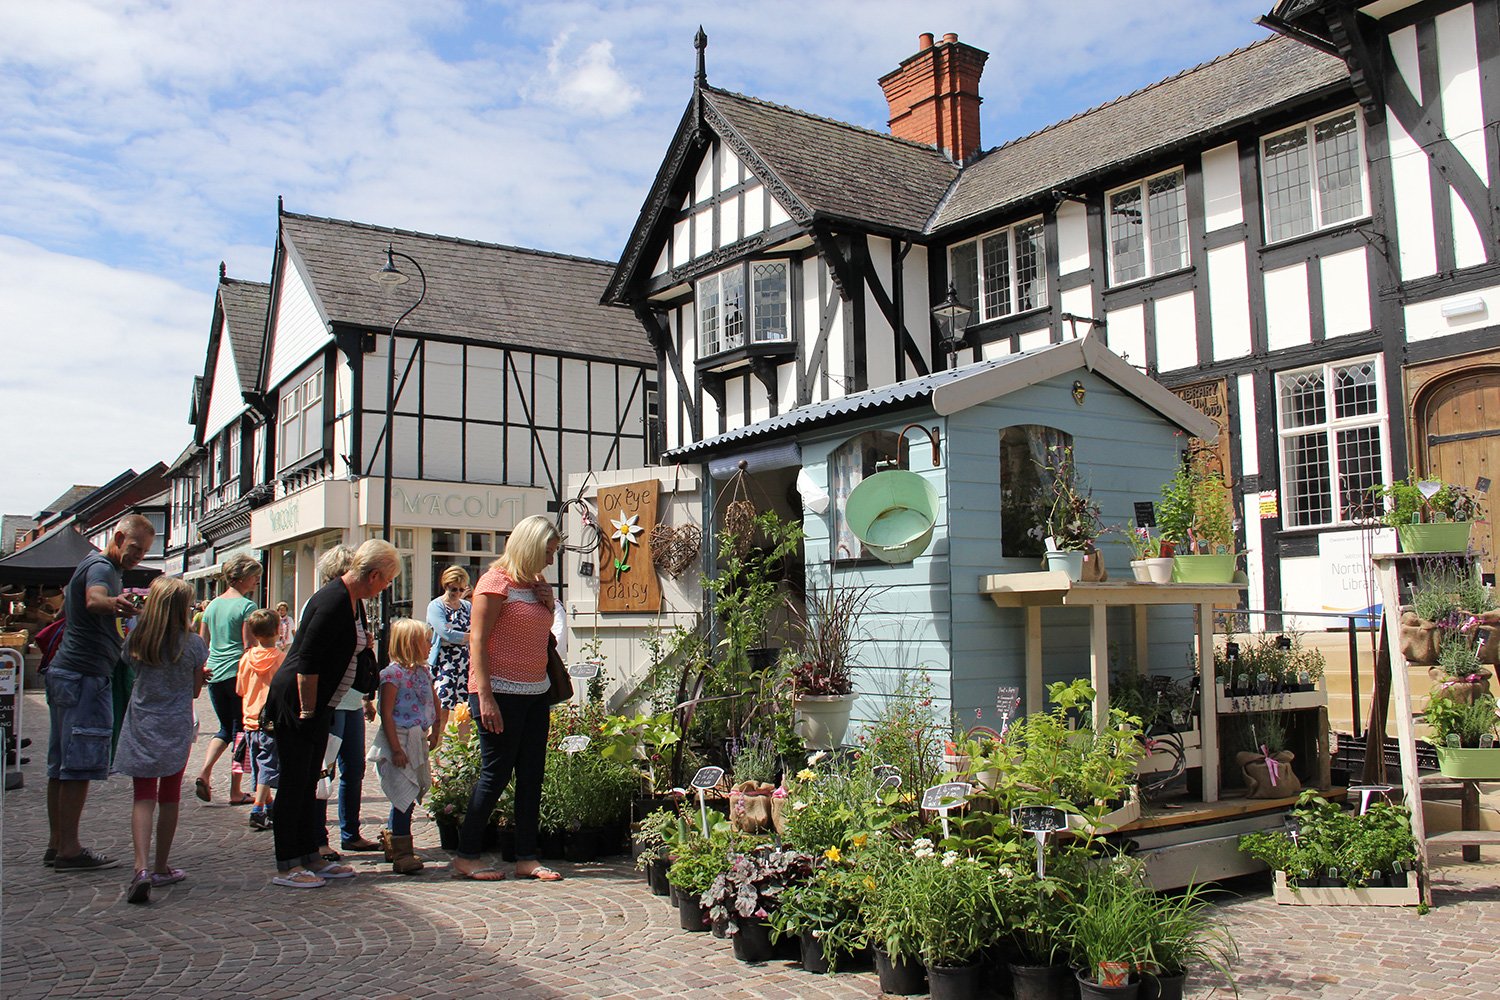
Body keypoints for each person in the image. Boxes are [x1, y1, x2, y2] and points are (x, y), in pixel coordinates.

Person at [265, 539, 398, 888]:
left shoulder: (353, 601)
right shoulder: (333, 599)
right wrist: (309, 711)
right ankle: (287, 863)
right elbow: (306, 659)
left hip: (323, 703)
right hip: (299, 701)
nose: (386, 588)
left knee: (311, 778)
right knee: (295, 781)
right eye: (386, 581)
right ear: (372, 575)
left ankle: (310, 855)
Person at [450, 515, 564, 882]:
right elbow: (478, 641)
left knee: (532, 775)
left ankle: (526, 856)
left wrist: (548, 604)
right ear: (529, 547)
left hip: (535, 691)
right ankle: (467, 855)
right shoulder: (494, 582)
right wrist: (484, 698)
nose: (550, 560)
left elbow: (544, 636)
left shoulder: (536, 585)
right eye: (547, 552)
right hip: (498, 691)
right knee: (495, 774)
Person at [44, 513, 155, 872]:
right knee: (77, 765)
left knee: (60, 765)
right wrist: (116, 604)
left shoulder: (97, 565)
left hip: (68, 672)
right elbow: (95, 599)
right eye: (135, 548)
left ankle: (57, 841)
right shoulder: (103, 569)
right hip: (84, 676)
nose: (138, 556)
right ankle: (70, 849)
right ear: (119, 538)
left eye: (144, 552)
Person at [113, 576, 206, 904]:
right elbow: (195, 690)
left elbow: (130, 667)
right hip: (175, 723)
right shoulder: (193, 645)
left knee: (142, 795)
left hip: (142, 721)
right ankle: (161, 865)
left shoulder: (139, 638)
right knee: (169, 796)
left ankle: (140, 867)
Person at [306, 545, 380, 857]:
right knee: (325, 769)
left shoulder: (358, 607)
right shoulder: (326, 602)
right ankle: (319, 837)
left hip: (351, 698)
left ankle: (350, 832)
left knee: (355, 767)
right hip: (332, 700)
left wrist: (366, 697)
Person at [369, 618, 439, 875]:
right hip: (399, 737)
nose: (430, 645)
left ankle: (394, 841)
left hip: (417, 736)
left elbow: (434, 700)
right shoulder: (391, 675)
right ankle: (402, 851)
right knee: (403, 793)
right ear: (411, 645)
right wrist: (396, 748)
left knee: (407, 794)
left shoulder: (423, 672)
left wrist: (436, 729)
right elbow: (386, 713)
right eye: (425, 641)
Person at [195, 554, 262, 804]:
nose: (257, 580)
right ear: (242, 577)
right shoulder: (246, 607)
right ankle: (235, 789)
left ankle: (205, 771)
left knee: (224, 728)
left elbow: (203, 642)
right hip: (238, 674)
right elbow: (248, 645)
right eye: (254, 576)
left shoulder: (211, 605)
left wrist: (201, 668)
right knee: (241, 731)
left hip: (213, 672)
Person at [237, 609, 283, 832]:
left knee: (258, 763)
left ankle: (270, 805)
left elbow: (240, 689)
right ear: (277, 630)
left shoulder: (246, 658)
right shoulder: (281, 659)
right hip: (271, 721)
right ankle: (257, 808)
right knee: (268, 764)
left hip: (250, 719)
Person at [426, 566, 471, 736]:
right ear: (446, 585)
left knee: (464, 709)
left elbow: (477, 626)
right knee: (442, 706)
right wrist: (471, 635)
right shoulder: (436, 606)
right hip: (444, 661)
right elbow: (446, 633)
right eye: (453, 589)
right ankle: (436, 743)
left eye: (461, 589)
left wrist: (467, 636)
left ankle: (464, 750)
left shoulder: (466, 606)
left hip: (464, 661)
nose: (457, 593)